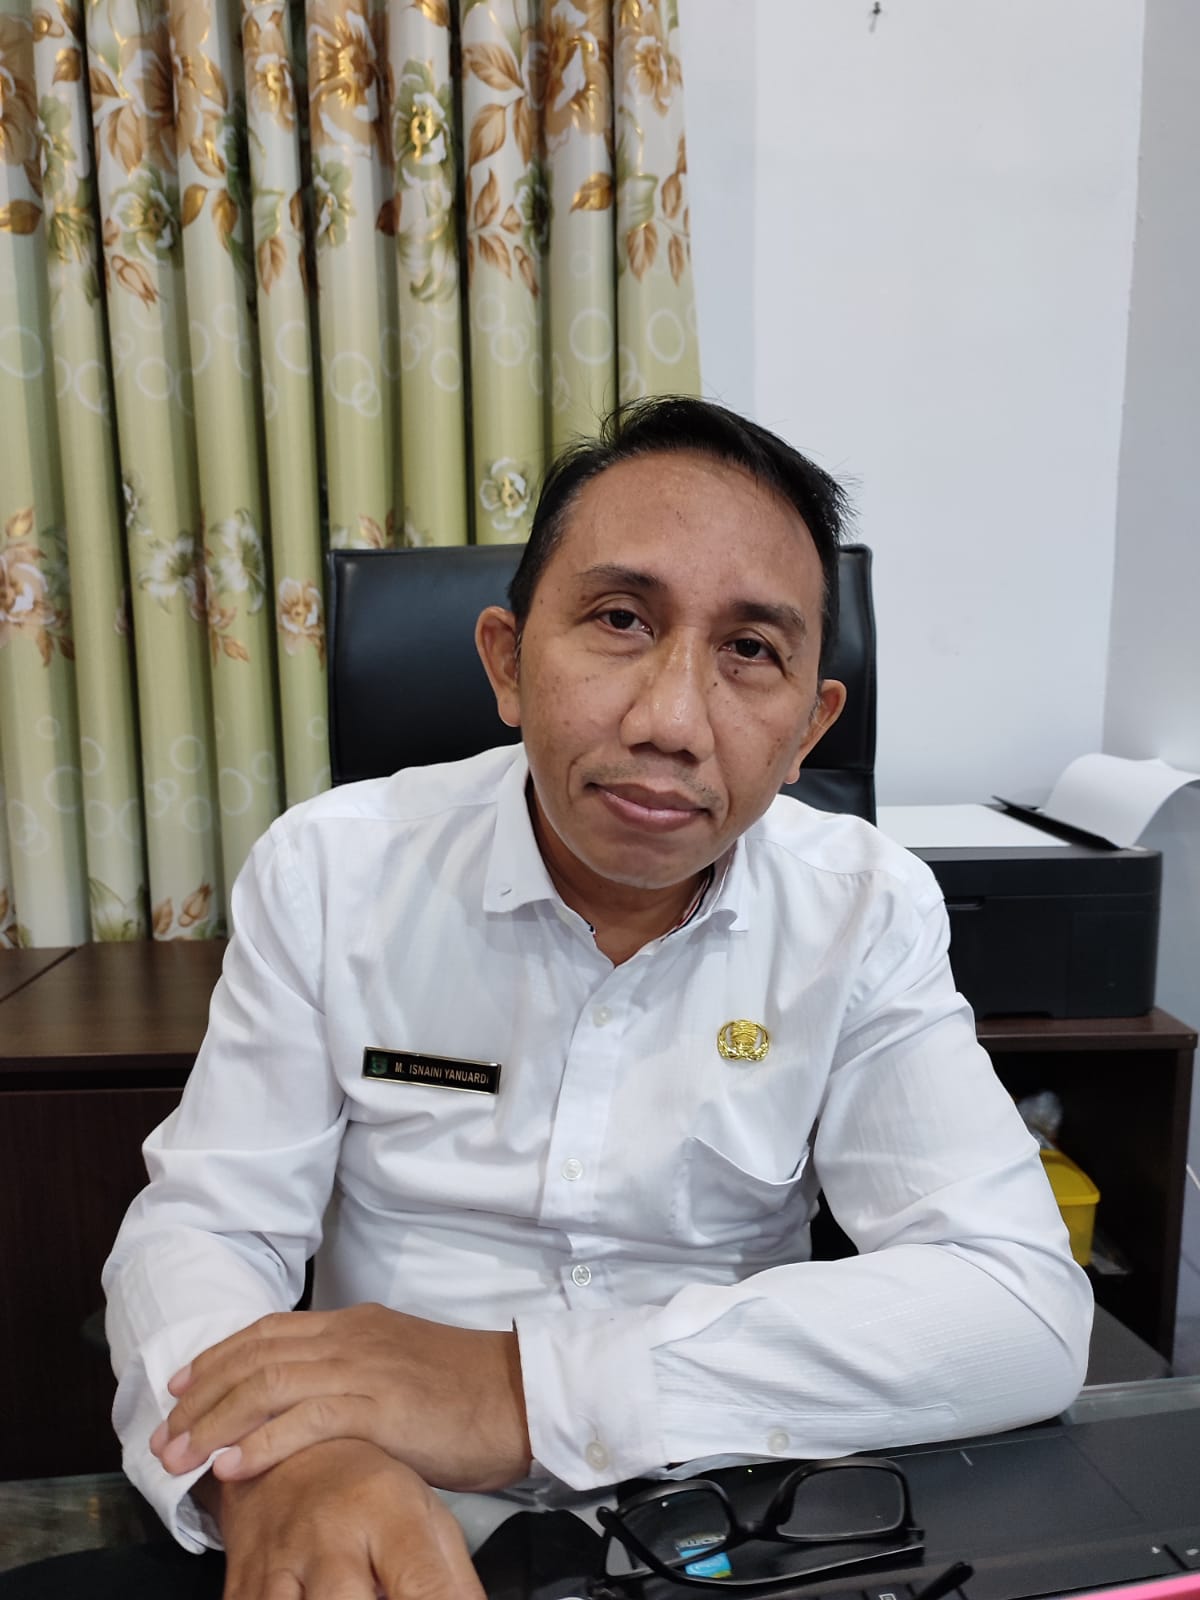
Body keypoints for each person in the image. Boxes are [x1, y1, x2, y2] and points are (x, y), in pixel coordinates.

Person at [101, 397, 1092, 1599]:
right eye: (621, 619)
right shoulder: (333, 871)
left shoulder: (862, 909)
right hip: (379, 1510)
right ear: (507, 662)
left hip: (721, 1523)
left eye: (751, 651)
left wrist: (525, 1391)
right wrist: (275, 1464)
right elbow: (209, 1228)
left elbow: (1020, 1304)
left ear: (807, 730)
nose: (671, 721)